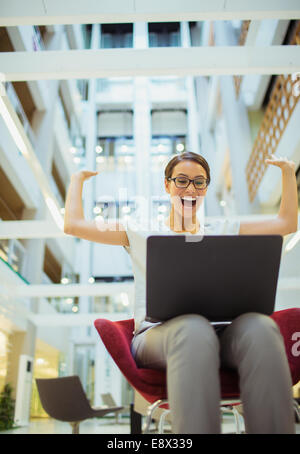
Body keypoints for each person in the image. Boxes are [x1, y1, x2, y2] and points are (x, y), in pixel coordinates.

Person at [64, 151, 298, 434]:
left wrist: (287, 172)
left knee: (261, 326)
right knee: (192, 327)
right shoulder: (139, 229)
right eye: (182, 181)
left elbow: (286, 224)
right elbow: (73, 225)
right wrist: (77, 179)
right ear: (167, 185)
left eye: (199, 182)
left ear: (207, 188)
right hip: (158, 335)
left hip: (222, 332)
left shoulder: (224, 228)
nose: (191, 189)